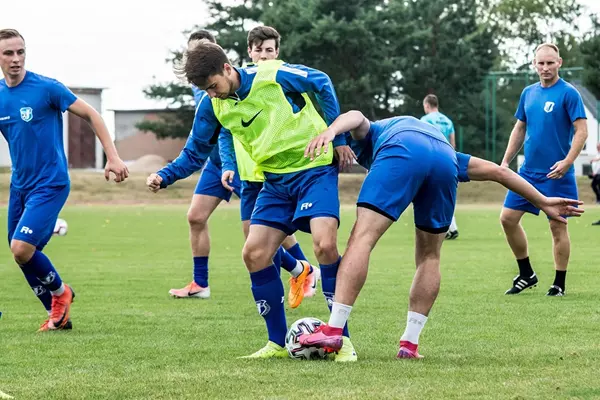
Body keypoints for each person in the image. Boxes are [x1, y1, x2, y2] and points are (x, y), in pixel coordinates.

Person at [297, 110, 584, 359]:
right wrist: (542, 201)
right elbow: (499, 172)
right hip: (445, 159)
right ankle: (409, 344)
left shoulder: (377, 131)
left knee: (363, 239)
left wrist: (331, 132)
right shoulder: (447, 149)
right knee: (430, 256)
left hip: (401, 146)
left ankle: (334, 330)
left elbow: (355, 116)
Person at [146, 41, 358, 360]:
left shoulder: (273, 75)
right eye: (205, 90)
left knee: (325, 245)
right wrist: (165, 175)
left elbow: (322, 81)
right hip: (274, 180)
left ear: (227, 68)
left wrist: (338, 137)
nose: (212, 94)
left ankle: (343, 340)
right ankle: (277, 343)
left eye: (213, 86)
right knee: (254, 253)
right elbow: (195, 152)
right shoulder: (212, 105)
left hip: (314, 169)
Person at [0, 29, 129, 331]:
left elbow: (92, 115)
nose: (16, 59)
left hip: (51, 183)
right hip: (20, 186)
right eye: (8, 53)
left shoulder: (47, 88)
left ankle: (61, 294)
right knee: (22, 255)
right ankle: (57, 315)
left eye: (20, 52)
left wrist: (112, 156)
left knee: (21, 248)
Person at [219, 26, 320, 307]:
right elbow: (225, 131)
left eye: (269, 51)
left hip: (275, 173)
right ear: (249, 52)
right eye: (258, 50)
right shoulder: (234, 88)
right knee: (255, 241)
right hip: (247, 174)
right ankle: (301, 270)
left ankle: (289, 284)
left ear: (277, 53)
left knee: (267, 238)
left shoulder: (280, 82)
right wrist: (228, 164)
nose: (263, 56)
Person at [500, 43, 587, 297]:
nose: (545, 67)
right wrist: (505, 162)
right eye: (541, 63)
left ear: (559, 63)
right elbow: (519, 128)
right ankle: (526, 273)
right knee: (507, 219)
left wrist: (567, 162)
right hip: (528, 173)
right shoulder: (528, 93)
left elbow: (582, 131)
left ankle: (559, 284)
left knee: (558, 226)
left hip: (557, 174)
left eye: (550, 62)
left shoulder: (569, 94)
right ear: (534, 64)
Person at [168, 30, 244, 300]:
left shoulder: (227, 82)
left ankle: (301, 269)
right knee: (196, 217)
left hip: (239, 162)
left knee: (264, 226)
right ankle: (200, 284)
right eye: (191, 52)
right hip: (214, 163)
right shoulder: (197, 83)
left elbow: (226, 128)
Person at [421, 94, 459, 239]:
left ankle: (438, 228)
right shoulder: (448, 121)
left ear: (427, 105)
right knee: (445, 194)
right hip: (447, 159)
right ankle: (451, 228)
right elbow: (453, 143)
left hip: (431, 159)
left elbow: (422, 141)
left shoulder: (425, 120)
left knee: (428, 195)